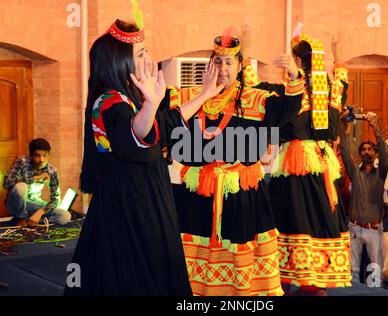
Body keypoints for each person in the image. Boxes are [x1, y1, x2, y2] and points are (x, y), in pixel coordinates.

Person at [65, 19, 222, 295]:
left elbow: (163, 124)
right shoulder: (109, 102)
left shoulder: (128, 97)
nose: (148, 59)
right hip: (129, 206)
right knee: (135, 272)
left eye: (146, 51)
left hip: (145, 197)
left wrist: (204, 95)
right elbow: (134, 136)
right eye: (140, 54)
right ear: (119, 61)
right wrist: (150, 104)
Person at [168, 32, 304, 296]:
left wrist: (295, 75)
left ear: (240, 66)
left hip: (241, 194)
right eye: (218, 61)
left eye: (229, 63)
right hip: (199, 194)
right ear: (210, 65)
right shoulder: (189, 97)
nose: (223, 68)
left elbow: (289, 108)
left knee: (240, 264)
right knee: (196, 263)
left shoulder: (257, 99)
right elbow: (163, 119)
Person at [244, 33, 351, 295]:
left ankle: (299, 279)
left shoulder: (292, 93)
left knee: (293, 218)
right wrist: (339, 58)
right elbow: (342, 80)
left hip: (296, 165)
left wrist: (247, 58)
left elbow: (254, 86)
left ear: (298, 62)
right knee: (315, 218)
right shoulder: (329, 91)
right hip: (321, 165)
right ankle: (311, 281)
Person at [339, 111, 388, 286]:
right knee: (352, 272)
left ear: (374, 154)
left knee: (374, 274)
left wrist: (375, 127)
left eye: (370, 150)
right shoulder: (355, 174)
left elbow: (384, 154)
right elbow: (344, 151)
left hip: (373, 228)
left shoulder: (380, 174)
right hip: (354, 227)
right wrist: (344, 126)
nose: (367, 152)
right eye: (364, 150)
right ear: (360, 154)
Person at [3, 138, 71, 227]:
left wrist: (39, 213)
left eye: (45, 155)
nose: (42, 160)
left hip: (33, 204)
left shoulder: (51, 171)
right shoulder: (22, 162)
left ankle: (31, 221)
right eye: (37, 156)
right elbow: (7, 182)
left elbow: (55, 200)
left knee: (65, 216)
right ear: (31, 156)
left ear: (49, 155)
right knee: (21, 186)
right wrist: (35, 178)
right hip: (16, 203)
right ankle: (21, 217)